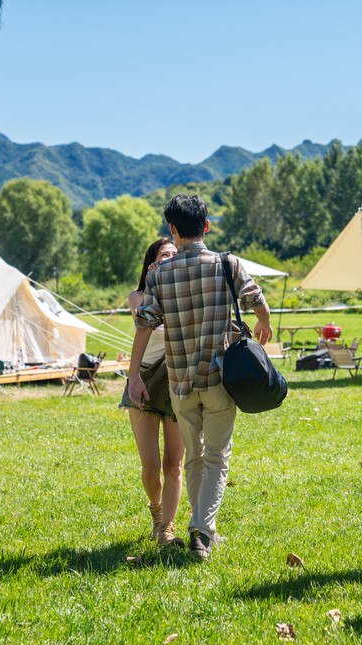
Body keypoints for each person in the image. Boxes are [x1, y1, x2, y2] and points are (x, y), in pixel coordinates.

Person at [126, 193, 272, 559]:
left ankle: (204, 527)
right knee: (217, 458)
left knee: (194, 457)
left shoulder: (160, 274)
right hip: (220, 378)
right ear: (206, 226)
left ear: (172, 230)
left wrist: (133, 377)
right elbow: (257, 300)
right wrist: (264, 322)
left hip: (179, 382)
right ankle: (201, 529)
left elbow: (143, 326)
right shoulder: (227, 263)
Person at [120, 237, 184, 547]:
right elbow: (143, 318)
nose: (171, 258)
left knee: (174, 464)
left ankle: (167, 530)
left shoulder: (185, 293)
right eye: (164, 255)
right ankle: (156, 513)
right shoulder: (138, 295)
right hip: (143, 378)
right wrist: (158, 283)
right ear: (152, 263)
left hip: (176, 379)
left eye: (175, 254)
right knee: (151, 467)